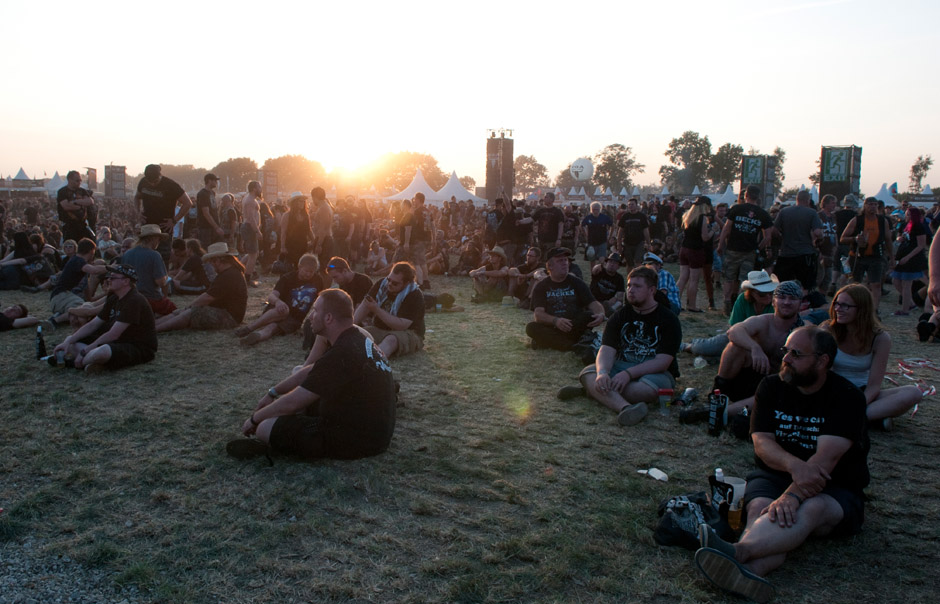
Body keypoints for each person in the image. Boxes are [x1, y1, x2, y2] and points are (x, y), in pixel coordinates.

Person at [694, 326, 869, 604]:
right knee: (759, 508)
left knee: (810, 508)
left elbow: (825, 461)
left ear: (822, 361)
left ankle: (737, 553)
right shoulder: (771, 386)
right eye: (785, 351)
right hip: (775, 474)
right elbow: (762, 443)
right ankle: (749, 572)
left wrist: (792, 496)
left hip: (836, 486)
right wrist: (793, 467)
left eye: (796, 354)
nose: (786, 358)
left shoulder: (846, 397)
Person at [226, 289, 396, 461]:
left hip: (359, 440)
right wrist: (273, 393)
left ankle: (278, 444)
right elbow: (311, 370)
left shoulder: (343, 351)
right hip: (372, 430)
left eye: (315, 310)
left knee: (264, 427)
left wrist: (255, 419)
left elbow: (293, 402)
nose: (311, 316)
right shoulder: (355, 338)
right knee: (289, 410)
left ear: (328, 318)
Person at [558, 266, 681, 427]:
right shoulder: (620, 316)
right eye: (629, 286)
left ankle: (593, 392)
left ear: (652, 290)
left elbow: (662, 362)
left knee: (645, 391)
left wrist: (628, 374)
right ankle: (626, 407)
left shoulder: (669, 319)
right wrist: (602, 373)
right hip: (621, 366)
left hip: (655, 373)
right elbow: (607, 349)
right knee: (588, 373)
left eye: (637, 286)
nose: (630, 290)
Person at [703, 280, 806, 429]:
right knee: (735, 346)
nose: (787, 302)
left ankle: (721, 412)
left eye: (792, 299)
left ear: (800, 303)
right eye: (782, 297)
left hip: (776, 389)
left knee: (778, 385)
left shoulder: (803, 330)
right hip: (749, 380)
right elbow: (733, 331)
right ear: (774, 301)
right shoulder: (764, 322)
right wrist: (755, 348)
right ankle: (718, 394)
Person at [824, 284, 922, 430]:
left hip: (863, 393)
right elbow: (825, 375)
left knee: (913, 393)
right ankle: (868, 419)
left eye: (845, 305)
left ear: (862, 309)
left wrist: (858, 403)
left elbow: (874, 386)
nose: (838, 309)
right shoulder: (827, 330)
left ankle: (851, 418)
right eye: (836, 303)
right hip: (832, 389)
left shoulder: (880, 338)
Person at [51, 264, 157, 373]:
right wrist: (68, 341)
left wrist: (84, 351)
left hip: (137, 346)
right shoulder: (114, 297)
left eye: (113, 277)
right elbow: (94, 324)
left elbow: (113, 334)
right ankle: (94, 363)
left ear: (126, 281)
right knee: (72, 341)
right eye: (109, 276)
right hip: (116, 342)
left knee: (102, 352)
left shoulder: (134, 300)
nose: (108, 280)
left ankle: (77, 362)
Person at [682, 270, 778, 358]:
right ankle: (688, 345)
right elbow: (734, 327)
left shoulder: (776, 304)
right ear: (752, 293)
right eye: (762, 294)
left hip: (767, 341)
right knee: (704, 348)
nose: (768, 296)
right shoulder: (742, 300)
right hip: (742, 337)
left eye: (771, 292)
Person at [234, 253, 325, 347]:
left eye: (312, 272)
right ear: (299, 267)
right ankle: (250, 328)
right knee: (284, 310)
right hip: (276, 311)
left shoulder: (318, 280)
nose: (308, 274)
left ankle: (257, 336)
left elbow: (321, 299)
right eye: (306, 271)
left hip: (295, 318)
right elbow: (271, 297)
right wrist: (278, 302)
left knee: (272, 327)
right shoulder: (287, 278)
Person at [155, 242, 248, 332]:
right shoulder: (229, 272)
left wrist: (188, 307)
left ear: (217, 261)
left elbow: (207, 297)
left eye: (212, 262)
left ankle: (155, 329)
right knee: (181, 311)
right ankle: (152, 325)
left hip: (230, 318)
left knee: (189, 313)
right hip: (225, 312)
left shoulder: (229, 275)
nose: (211, 265)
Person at [525, 247, 604, 351]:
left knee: (589, 315)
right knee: (531, 327)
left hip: (573, 326)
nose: (565, 263)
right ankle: (572, 346)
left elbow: (593, 303)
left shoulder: (577, 282)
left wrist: (601, 314)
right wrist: (555, 321)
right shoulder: (541, 286)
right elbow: (538, 315)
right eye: (560, 261)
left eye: (565, 260)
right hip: (552, 327)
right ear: (550, 266)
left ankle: (550, 342)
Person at [718, 185, 774, 315]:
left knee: (729, 277)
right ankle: (739, 305)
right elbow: (768, 237)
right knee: (745, 279)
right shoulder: (762, 214)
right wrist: (758, 248)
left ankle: (727, 303)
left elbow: (727, 228)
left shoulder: (736, 209)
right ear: (758, 197)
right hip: (750, 252)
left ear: (745, 195)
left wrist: (720, 244)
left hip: (733, 249)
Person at [354, 261, 425, 358]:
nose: (390, 284)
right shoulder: (381, 285)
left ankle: (375, 361)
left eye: (395, 283)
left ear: (406, 283)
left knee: (391, 340)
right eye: (389, 279)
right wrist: (350, 327)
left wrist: (376, 309)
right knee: (357, 335)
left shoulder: (414, 295)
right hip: (381, 329)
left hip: (409, 332)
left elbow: (401, 326)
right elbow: (365, 305)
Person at [840, 197, 893, 311]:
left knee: (876, 284)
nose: (873, 207)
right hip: (858, 256)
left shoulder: (882, 221)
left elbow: (888, 240)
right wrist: (855, 239)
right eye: (870, 204)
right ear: (865, 206)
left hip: (876, 256)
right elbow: (842, 238)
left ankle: (874, 311)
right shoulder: (857, 220)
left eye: (875, 205)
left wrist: (892, 258)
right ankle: (855, 308)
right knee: (855, 285)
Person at [135, 164, 193, 263]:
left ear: (159, 176)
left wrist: (174, 220)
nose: (153, 184)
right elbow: (137, 197)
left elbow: (188, 203)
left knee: (162, 258)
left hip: (164, 228)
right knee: (144, 256)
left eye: (155, 181)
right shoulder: (143, 182)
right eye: (150, 181)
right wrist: (138, 212)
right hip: (147, 227)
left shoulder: (171, 185)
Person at [48, 238, 107, 325]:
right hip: (60, 296)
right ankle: (55, 321)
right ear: (91, 251)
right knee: (83, 310)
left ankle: (61, 315)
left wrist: (107, 294)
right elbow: (94, 270)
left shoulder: (80, 269)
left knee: (87, 307)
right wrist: (112, 267)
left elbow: (89, 299)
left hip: (62, 298)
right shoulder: (77, 260)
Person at [773, 190, 823, 293]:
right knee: (806, 285)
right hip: (805, 254)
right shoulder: (812, 213)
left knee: (783, 284)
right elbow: (818, 232)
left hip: (786, 253)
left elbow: (774, 230)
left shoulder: (784, 211)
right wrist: (819, 239)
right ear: (808, 200)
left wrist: (781, 238)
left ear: (797, 199)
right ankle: (803, 305)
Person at [122, 224, 177, 317]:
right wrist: (166, 277)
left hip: (128, 297)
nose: (159, 241)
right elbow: (161, 282)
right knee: (175, 312)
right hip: (150, 298)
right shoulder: (154, 255)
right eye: (158, 239)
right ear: (153, 238)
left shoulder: (127, 253)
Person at [676, 197, 715, 313]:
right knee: (694, 280)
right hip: (695, 250)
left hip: (684, 248)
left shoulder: (687, 215)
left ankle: (675, 302)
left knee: (682, 278)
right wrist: (713, 230)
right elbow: (705, 237)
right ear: (705, 206)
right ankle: (692, 305)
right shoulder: (702, 218)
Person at [890, 206, 929, 316]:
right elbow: (899, 237)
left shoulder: (919, 227)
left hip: (912, 258)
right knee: (896, 281)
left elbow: (921, 245)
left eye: (908, 214)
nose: (906, 216)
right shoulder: (905, 225)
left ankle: (905, 310)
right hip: (902, 256)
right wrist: (899, 239)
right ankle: (911, 303)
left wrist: (908, 257)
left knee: (907, 284)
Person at [403, 192, 433, 289]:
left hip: (418, 238)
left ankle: (420, 283)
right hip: (427, 238)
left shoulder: (416, 212)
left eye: (415, 199)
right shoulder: (428, 211)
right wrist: (434, 238)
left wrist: (407, 242)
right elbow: (433, 226)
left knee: (417, 262)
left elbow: (409, 224)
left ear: (419, 199)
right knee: (423, 260)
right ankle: (426, 280)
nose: (413, 200)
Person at [56, 170, 96, 243]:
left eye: (80, 180)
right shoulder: (62, 192)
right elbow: (66, 206)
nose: (79, 182)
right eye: (77, 180)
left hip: (83, 225)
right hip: (69, 226)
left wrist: (75, 202)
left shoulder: (82, 191)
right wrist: (81, 203)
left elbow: (90, 201)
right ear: (69, 180)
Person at [279, 192, 315, 269]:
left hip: (303, 245)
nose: (302, 203)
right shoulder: (287, 215)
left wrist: (314, 241)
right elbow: (283, 232)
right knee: (290, 267)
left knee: (302, 266)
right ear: (294, 202)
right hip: (290, 246)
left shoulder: (306, 215)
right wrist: (282, 247)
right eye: (300, 201)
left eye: (303, 201)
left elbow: (309, 230)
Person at [616, 198, 651, 271]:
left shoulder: (641, 216)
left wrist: (648, 243)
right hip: (627, 243)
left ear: (636, 205)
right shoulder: (625, 216)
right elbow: (620, 231)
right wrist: (619, 244)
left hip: (639, 243)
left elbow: (646, 230)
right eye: (629, 205)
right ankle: (630, 280)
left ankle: (639, 279)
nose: (630, 206)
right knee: (629, 264)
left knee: (638, 262)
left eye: (632, 204)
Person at [240, 180, 263, 285]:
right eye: (259, 187)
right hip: (250, 228)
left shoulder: (249, 198)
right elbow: (251, 218)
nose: (260, 189)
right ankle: (247, 278)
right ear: (254, 188)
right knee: (253, 255)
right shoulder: (250, 200)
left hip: (249, 227)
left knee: (252, 253)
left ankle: (238, 268)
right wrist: (257, 231)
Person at [195, 173, 224, 248]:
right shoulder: (202, 194)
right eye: (215, 180)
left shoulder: (212, 193)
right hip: (205, 227)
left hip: (213, 227)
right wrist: (216, 227)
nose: (216, 183)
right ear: (209, 181)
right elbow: (206, 213)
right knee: (206, 248)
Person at [581, 201, 613, 268]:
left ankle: (601, 273)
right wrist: (585, 234)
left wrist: (609, 236)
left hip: (602, 241)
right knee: (592, 259)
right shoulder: (588, 218)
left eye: (597, 209)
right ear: (591, 209)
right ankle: (593, 274)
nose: (595, 211)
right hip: (591, 241)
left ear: (600, 209)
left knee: (602, 259)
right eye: (593, 209)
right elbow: (582, 225)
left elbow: (612, 226)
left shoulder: (604, 217)